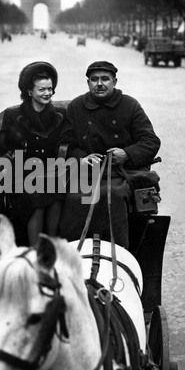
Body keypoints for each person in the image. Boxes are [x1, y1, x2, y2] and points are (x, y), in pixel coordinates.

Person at [58, 61, 161, 248]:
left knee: (112, 194)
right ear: (88, 83)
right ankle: (75, 252)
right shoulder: (76, 107)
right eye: (94, 79)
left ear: (114, 81)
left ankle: (118, 251)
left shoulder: (129, 105)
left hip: (122, 172)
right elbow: (66, 143)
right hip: (87, 174)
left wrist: (127, 153)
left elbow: (151, 141)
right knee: (74, 197)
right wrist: (82, 158)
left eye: (105, 79)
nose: (99, 84)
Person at [0, 61, 66, 246]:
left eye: (50, 89)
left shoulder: (60, 114)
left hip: (53, 172)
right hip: (22, 174)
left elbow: (68, 140)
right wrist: (12, 141)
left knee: (57, 197)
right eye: (42, 90)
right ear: (29, 92)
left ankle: (52, 244)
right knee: (37, 198)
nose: (47, 93)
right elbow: (1, 147)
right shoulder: (13, 115)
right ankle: (35, 249)